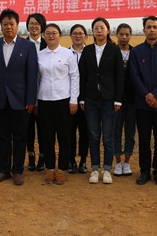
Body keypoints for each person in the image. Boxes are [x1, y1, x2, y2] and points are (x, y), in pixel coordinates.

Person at [0, 9, 38, 185]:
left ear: (17, 25)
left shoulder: (27, 46)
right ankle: (3, 170)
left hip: (20, 100)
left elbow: (32, 75)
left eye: (12, 24)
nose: (8, 27)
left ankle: (17, 170)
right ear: (0, 26)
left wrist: (30, 100)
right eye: (5, 24)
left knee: (20, 137)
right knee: (2, 136)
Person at [129, 16, 157, 186]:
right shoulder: (136, 51)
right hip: (143, 104)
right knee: (144, 140)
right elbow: (134, 75)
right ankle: (144, 171)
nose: (152, 30)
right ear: (144, 30)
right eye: (148, 27)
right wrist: (147, 95)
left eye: (155, 27)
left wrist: (155, 94)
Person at [78, 17, 124, 184]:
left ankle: (107, 170)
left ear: (108, 30)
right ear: (92, 31)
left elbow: (120, 76)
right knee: (94, 135)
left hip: (109, 99)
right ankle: (95, 169)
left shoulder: (114, 50)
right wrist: (81, 98)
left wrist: (118, 100)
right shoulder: (87, 50)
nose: (99, 31)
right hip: (90, 99)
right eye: (96, 28)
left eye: (102, 28)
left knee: (108, 137)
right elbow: (82, 75)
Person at [37, 23, 79, 185]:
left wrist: (73, 99)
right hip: (44, 100)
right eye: (48, 33)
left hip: (63, 100)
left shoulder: (68, 54)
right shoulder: (39, 55)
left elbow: (74, 77)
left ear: (60, 35)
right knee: (46, 136)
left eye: (54, 33)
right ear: (44, 36)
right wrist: (35, 101)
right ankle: (49, 168)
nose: (51, 36)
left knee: (64, 136)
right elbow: (37, 79)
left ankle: (62, 169)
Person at [25, 12, 47, 172]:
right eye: (31, 23)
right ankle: (31, 155)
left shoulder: (48, 44)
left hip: (45, 93)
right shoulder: (21, 44)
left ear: (42, 27)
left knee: (44, 128)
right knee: (28, 128)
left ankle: (43, 157)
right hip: (25, 94)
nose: (34, 26)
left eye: (37, 24)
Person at [113, 23, 135, 177]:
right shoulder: (112, 52)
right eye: (121, 34)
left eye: (127, 34)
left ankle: (127, 161)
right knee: (115, 130)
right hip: (115, 99)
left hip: (132, 99)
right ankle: (117, 162)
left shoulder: (136, 52)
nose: (124, 37)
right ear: (117, 35)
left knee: (130, 131)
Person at [68, 23, 89, 174]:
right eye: (75, 33)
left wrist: (85, 98)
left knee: (85, 132)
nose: (77, 36)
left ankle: (83, 161)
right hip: (69, 99)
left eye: (80, 33)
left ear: (85, 36)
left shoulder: (90, 52)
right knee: (69, 131)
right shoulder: (65, 53)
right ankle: (71, 161)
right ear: (70, 36)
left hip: (87, 100)